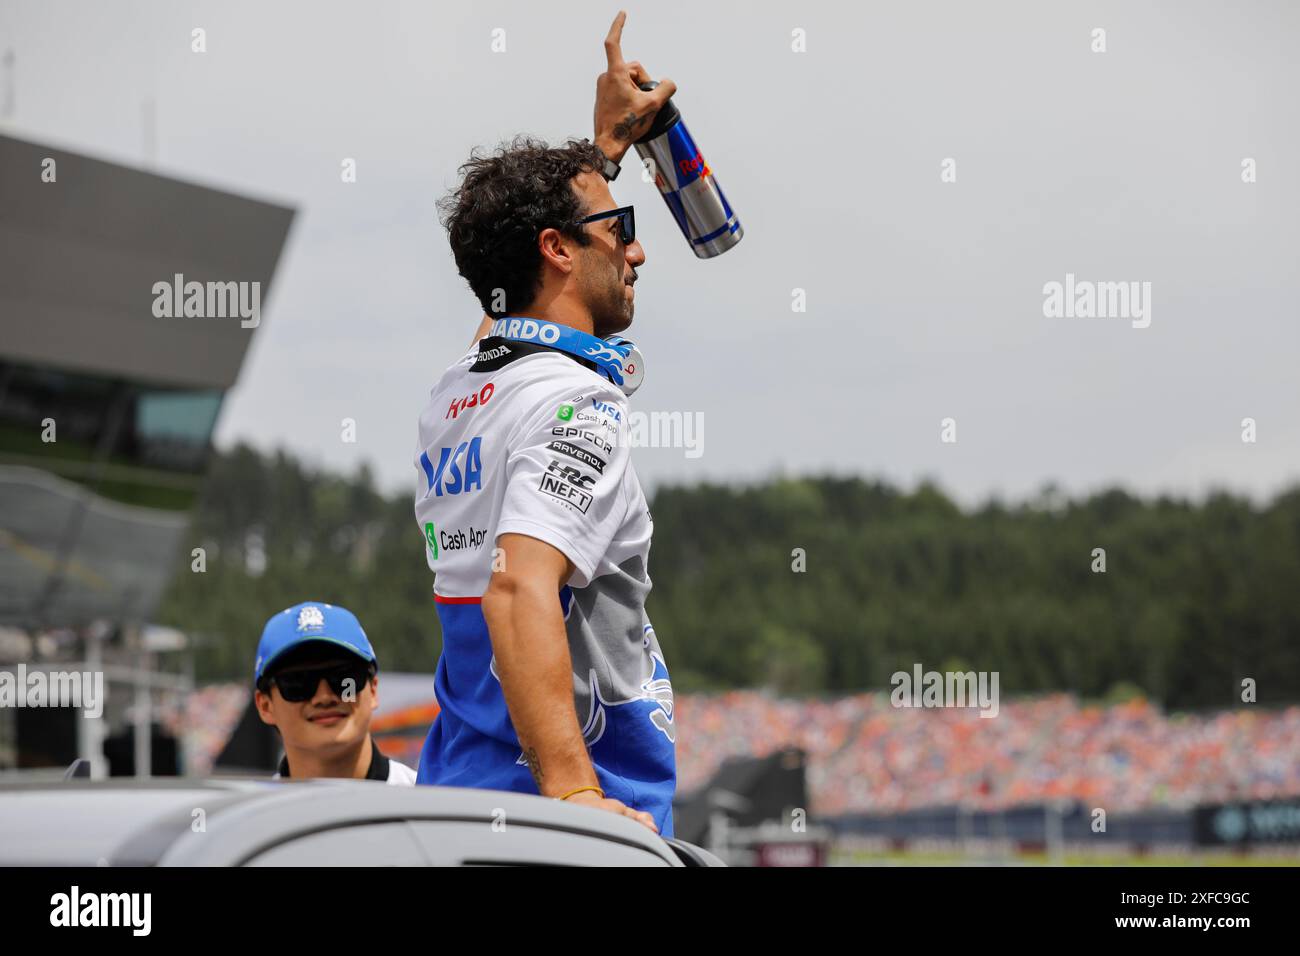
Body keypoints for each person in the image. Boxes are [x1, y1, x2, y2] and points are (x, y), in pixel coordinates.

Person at [412, 11, 677, 835]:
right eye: (618, 228)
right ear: (559, 250)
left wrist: (601, 157)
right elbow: (519, 587)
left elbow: (508, 303)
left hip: (458, 794)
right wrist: (576, 800)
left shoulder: (460, 387)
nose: (635, 252)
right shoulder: (577, 404)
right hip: (556, 828)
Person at [254, 601, 417, 785]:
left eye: (345, 679)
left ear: (372, 691)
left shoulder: (429, 806)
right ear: (265, 706)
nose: (324, 697)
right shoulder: (249, 812)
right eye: (298, 682)